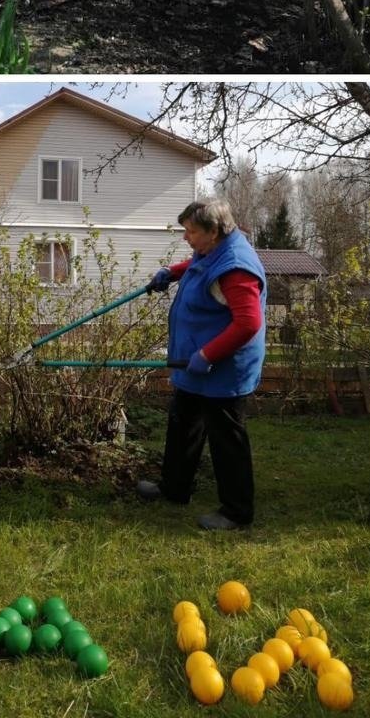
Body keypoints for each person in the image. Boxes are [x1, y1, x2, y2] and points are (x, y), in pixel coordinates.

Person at [136, 199, 267, 531]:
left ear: (214, 231)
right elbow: (199, 264)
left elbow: (248, 324)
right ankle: (174, 488)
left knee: (226, 439)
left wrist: (208, 355)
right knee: (183, 424)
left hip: (223, 367)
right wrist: (172, 272)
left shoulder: (236, 267)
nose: (186, 238)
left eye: (191, 232)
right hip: (195, 364)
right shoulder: (213, 250)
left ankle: (237, 512)